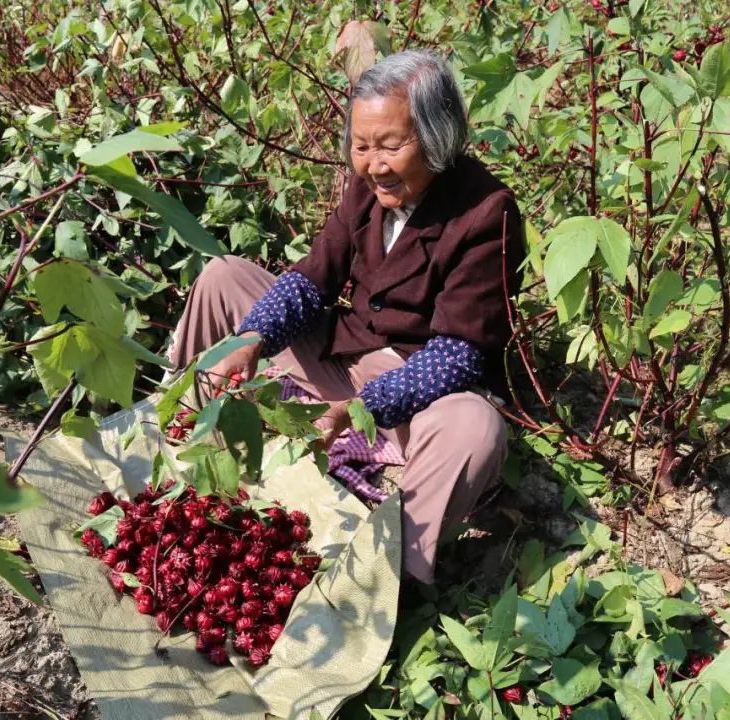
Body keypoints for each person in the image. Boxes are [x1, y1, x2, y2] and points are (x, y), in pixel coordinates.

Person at [168, 49, 525, 584]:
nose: (374, 164)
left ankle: (385, 579)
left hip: (413, 389)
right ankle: (183, 434)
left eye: (390, 146)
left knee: (475, 429)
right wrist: (251, 338)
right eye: (361, 147)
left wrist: (359, 411)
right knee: (224, 276)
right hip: (342, 354)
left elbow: (457, 356)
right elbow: (313, 280)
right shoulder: (369, 187)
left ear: (438, 135)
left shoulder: (486, 212)